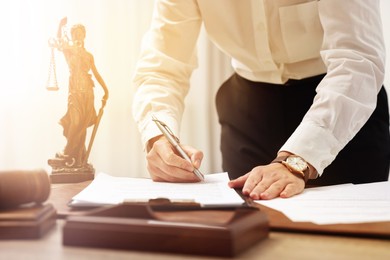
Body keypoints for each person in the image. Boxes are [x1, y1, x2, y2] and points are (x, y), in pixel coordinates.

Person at [132, 0, 390, 200]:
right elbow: (162, 66)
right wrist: (158, 137)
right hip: (247, 112)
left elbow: (358, 61)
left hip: (343, 113)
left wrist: (297, 161)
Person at [48, 17, 109, 169]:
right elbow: (59, 41)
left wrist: (106, 90)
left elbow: (96, 73)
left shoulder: (89, 56)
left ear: (84, 36)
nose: (77, 36)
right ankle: (67, 152)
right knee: (75, 123)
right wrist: (60, 25)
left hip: (88, 93)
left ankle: (79, 158)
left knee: (82, 127)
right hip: (74, 92)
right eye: (75, 34)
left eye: (80, 33)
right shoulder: (69, 51)